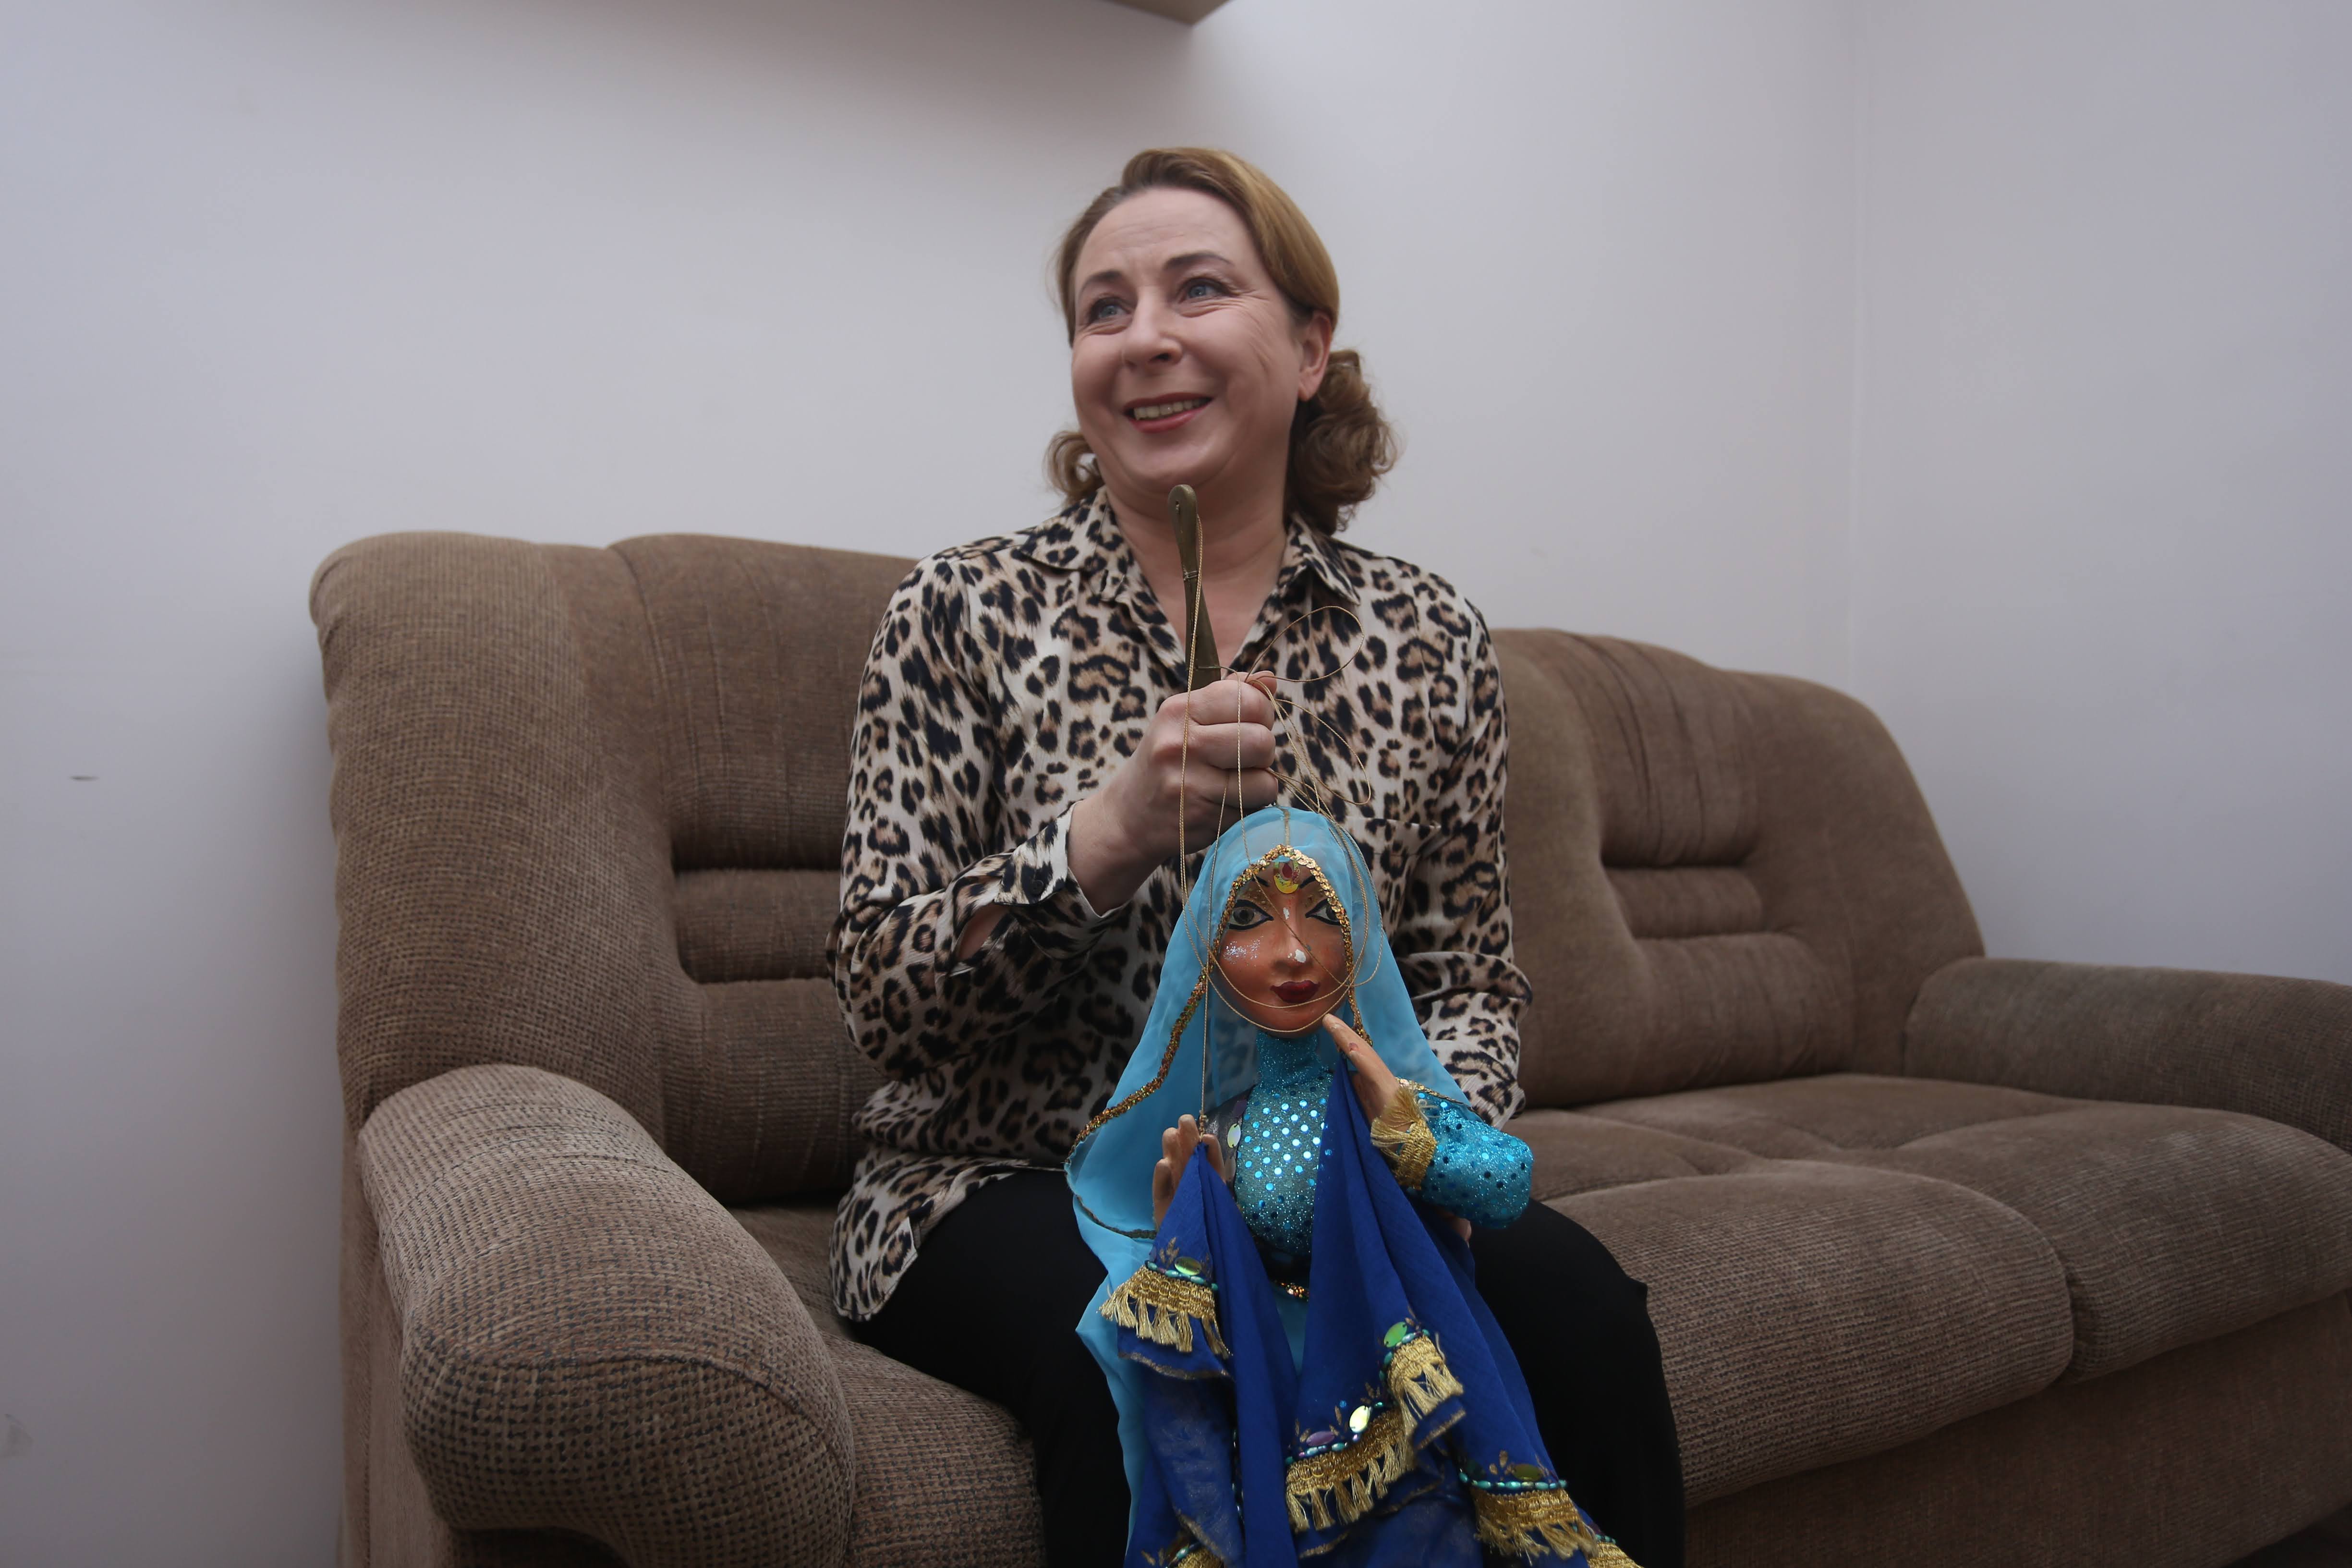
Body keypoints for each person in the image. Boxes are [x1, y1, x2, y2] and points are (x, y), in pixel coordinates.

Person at [831, 147, 1684, 1567]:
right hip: (1000, 1174)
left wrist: (1417, 1155)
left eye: (1197, 289)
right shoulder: (961, 610)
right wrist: (1101, 839)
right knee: (1150, 1358)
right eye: (1103, 309)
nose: (1144, 337)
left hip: (1339, 1171)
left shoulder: (1425, 637)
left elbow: (1466, 975)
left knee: (1584, 1321)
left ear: (1307, 348)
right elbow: (880, 995)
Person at [1067, 805, 1638, 1566]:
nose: (1293, 950)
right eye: (1250, 919)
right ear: (1207, 953)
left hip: (1391, 1373)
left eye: (1323, 914)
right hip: (1271, 1378)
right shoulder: (1225, 1128)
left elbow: (1506, 1182)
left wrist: (1413, 1137)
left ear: (1360, 934)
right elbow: (1213, 1271)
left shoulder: (1381, 1102)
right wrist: (1188, 1229)